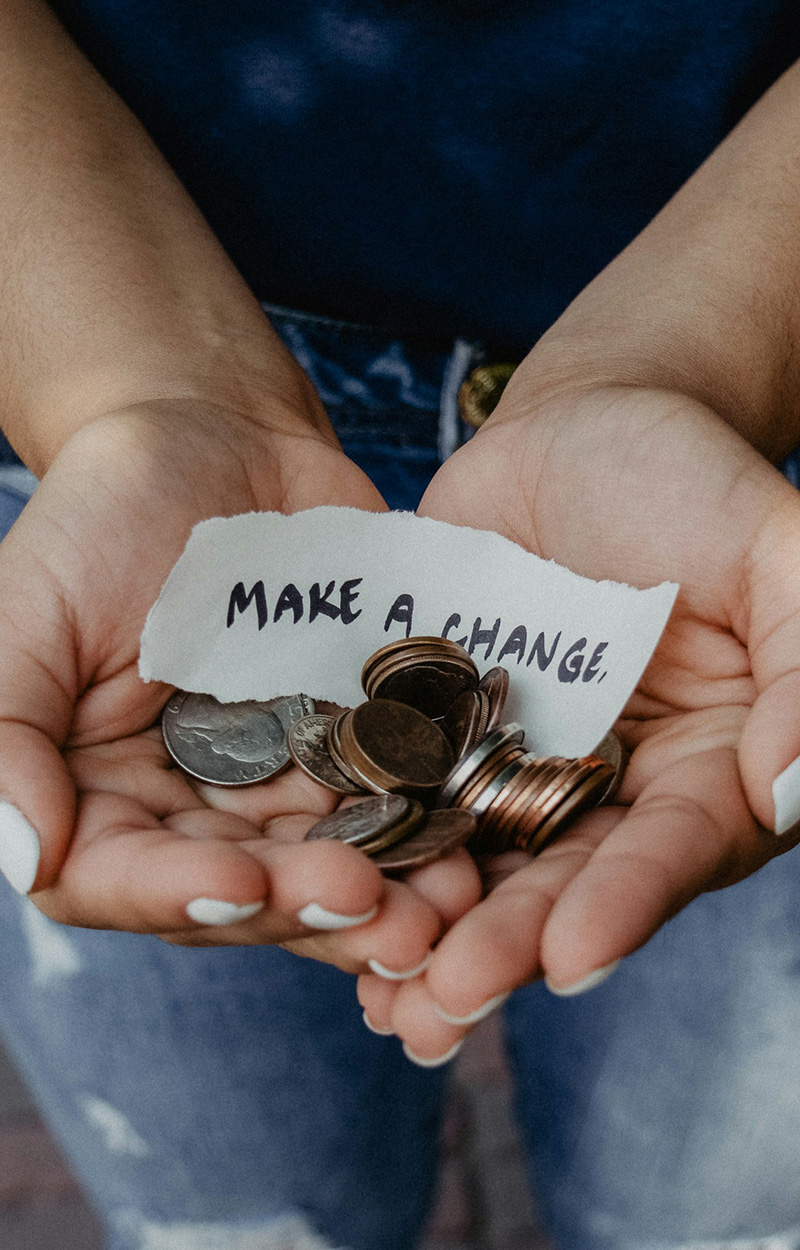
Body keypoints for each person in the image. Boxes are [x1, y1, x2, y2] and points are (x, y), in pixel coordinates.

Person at [3, 1, 800, 1247]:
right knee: (232, 1222)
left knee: (714, 1218)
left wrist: (695, 358)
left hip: (751, 451)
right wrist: (128, 390)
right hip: (83, 393)